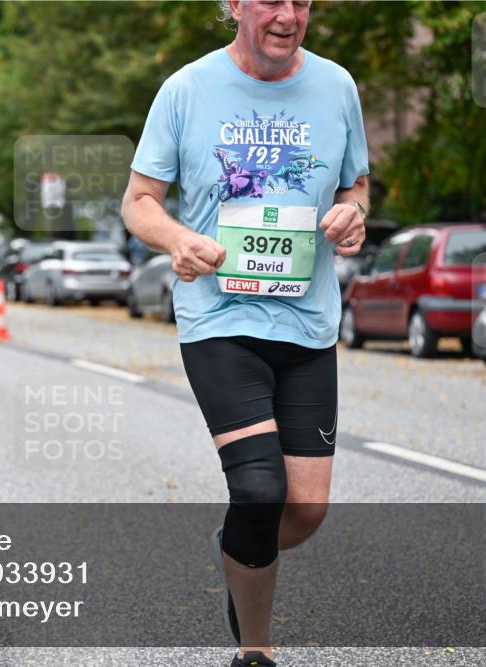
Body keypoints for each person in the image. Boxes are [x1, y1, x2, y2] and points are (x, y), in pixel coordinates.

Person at [121, 2, 369, 666]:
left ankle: (238, 543)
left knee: (306, 510)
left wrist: (352, 214)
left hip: (309, 324)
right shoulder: (186, 90)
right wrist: (177, 238)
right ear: (234, 4)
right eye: (270, 1)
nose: (288, 15)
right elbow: (139, 199)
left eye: (302, 2)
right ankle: (254, 650)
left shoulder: (337, 86)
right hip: (219, 319)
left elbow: (357, 184)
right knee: (259, 489)